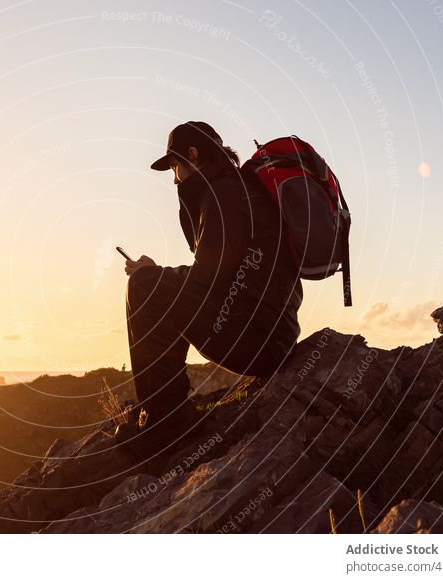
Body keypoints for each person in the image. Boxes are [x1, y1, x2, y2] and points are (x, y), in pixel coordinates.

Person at [116, 121, 303, 458]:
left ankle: (166, 421)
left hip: (256, 338)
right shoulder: (239, 189)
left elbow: (209, 278)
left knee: (144, 286)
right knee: (159, 286)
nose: (174, 179)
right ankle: (168, 413)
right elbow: (222, 276)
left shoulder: (225, 194)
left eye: (175, 167)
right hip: (269, 333)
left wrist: (153, 274)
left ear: (192, 155)